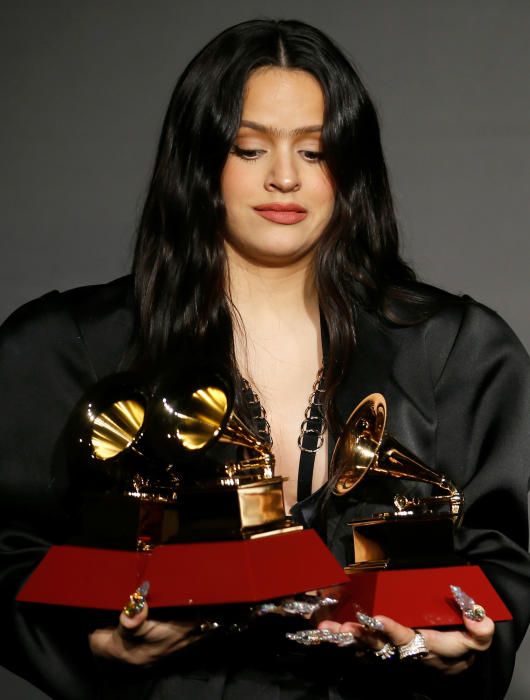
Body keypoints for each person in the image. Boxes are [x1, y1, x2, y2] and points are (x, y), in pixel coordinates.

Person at [1, 18, 529, 700]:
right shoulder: (67, 347)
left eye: (314, 152)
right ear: (198, 161)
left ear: (352, 168)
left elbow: (504, 557)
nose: (284, 178)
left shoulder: (458, 350)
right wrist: (92, 641)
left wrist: (461, 644)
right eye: (249, 149)